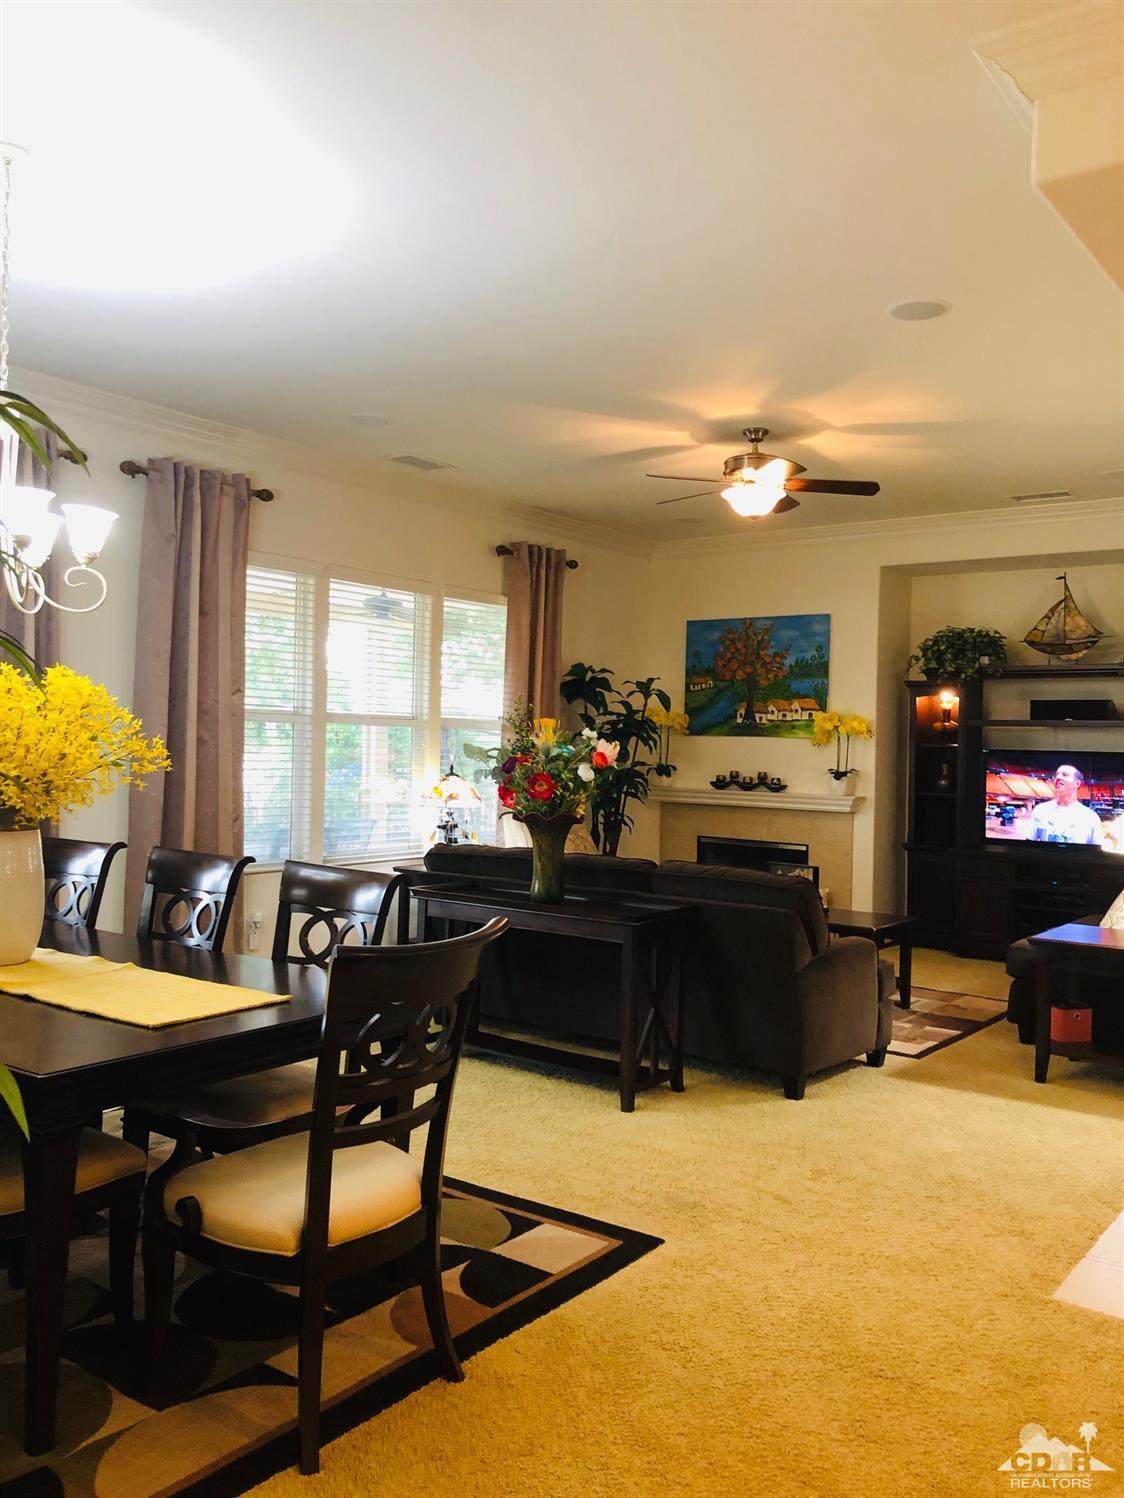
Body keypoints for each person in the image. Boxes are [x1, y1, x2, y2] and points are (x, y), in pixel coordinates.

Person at [1027, 765, 1104, 846]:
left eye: (1065, 774)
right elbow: (1029, 846)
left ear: (1077, 783)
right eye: (1057, 774)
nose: (1058, 777)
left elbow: (1097, 852)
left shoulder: (1090, 817)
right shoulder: (1040, 810)